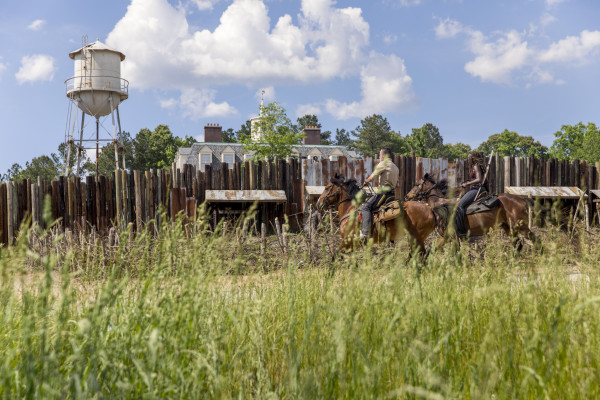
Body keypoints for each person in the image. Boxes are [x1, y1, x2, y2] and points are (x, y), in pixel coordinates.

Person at [360, 148, 399, 239]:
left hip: (383, 193)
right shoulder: (395, 167)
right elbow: (396, 183)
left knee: (365, 207)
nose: (379, 156)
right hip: (392, 194)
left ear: (384, 155)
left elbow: (372, 177)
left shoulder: (383, 164)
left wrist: (366, 182)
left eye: (380, 154)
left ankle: (365, 232)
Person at [454, 151, 487, 237]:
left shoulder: (476, 166)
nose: (468, 159)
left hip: (477, 189)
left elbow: (479, 179)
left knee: (460, 205)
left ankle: (461, 229)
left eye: (469, 157)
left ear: (473, 158)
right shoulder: (475, 166)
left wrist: (467, 184)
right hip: (474, 188)